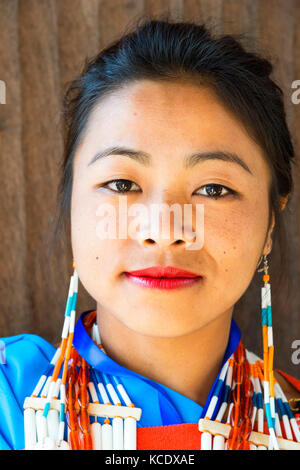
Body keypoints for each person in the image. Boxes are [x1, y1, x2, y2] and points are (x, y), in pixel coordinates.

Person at [1, 16, 300, 451]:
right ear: (72, 206)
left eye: (214, 189)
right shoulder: (11, 400)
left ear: (271, 223)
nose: (164, 232)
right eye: (122, 185)